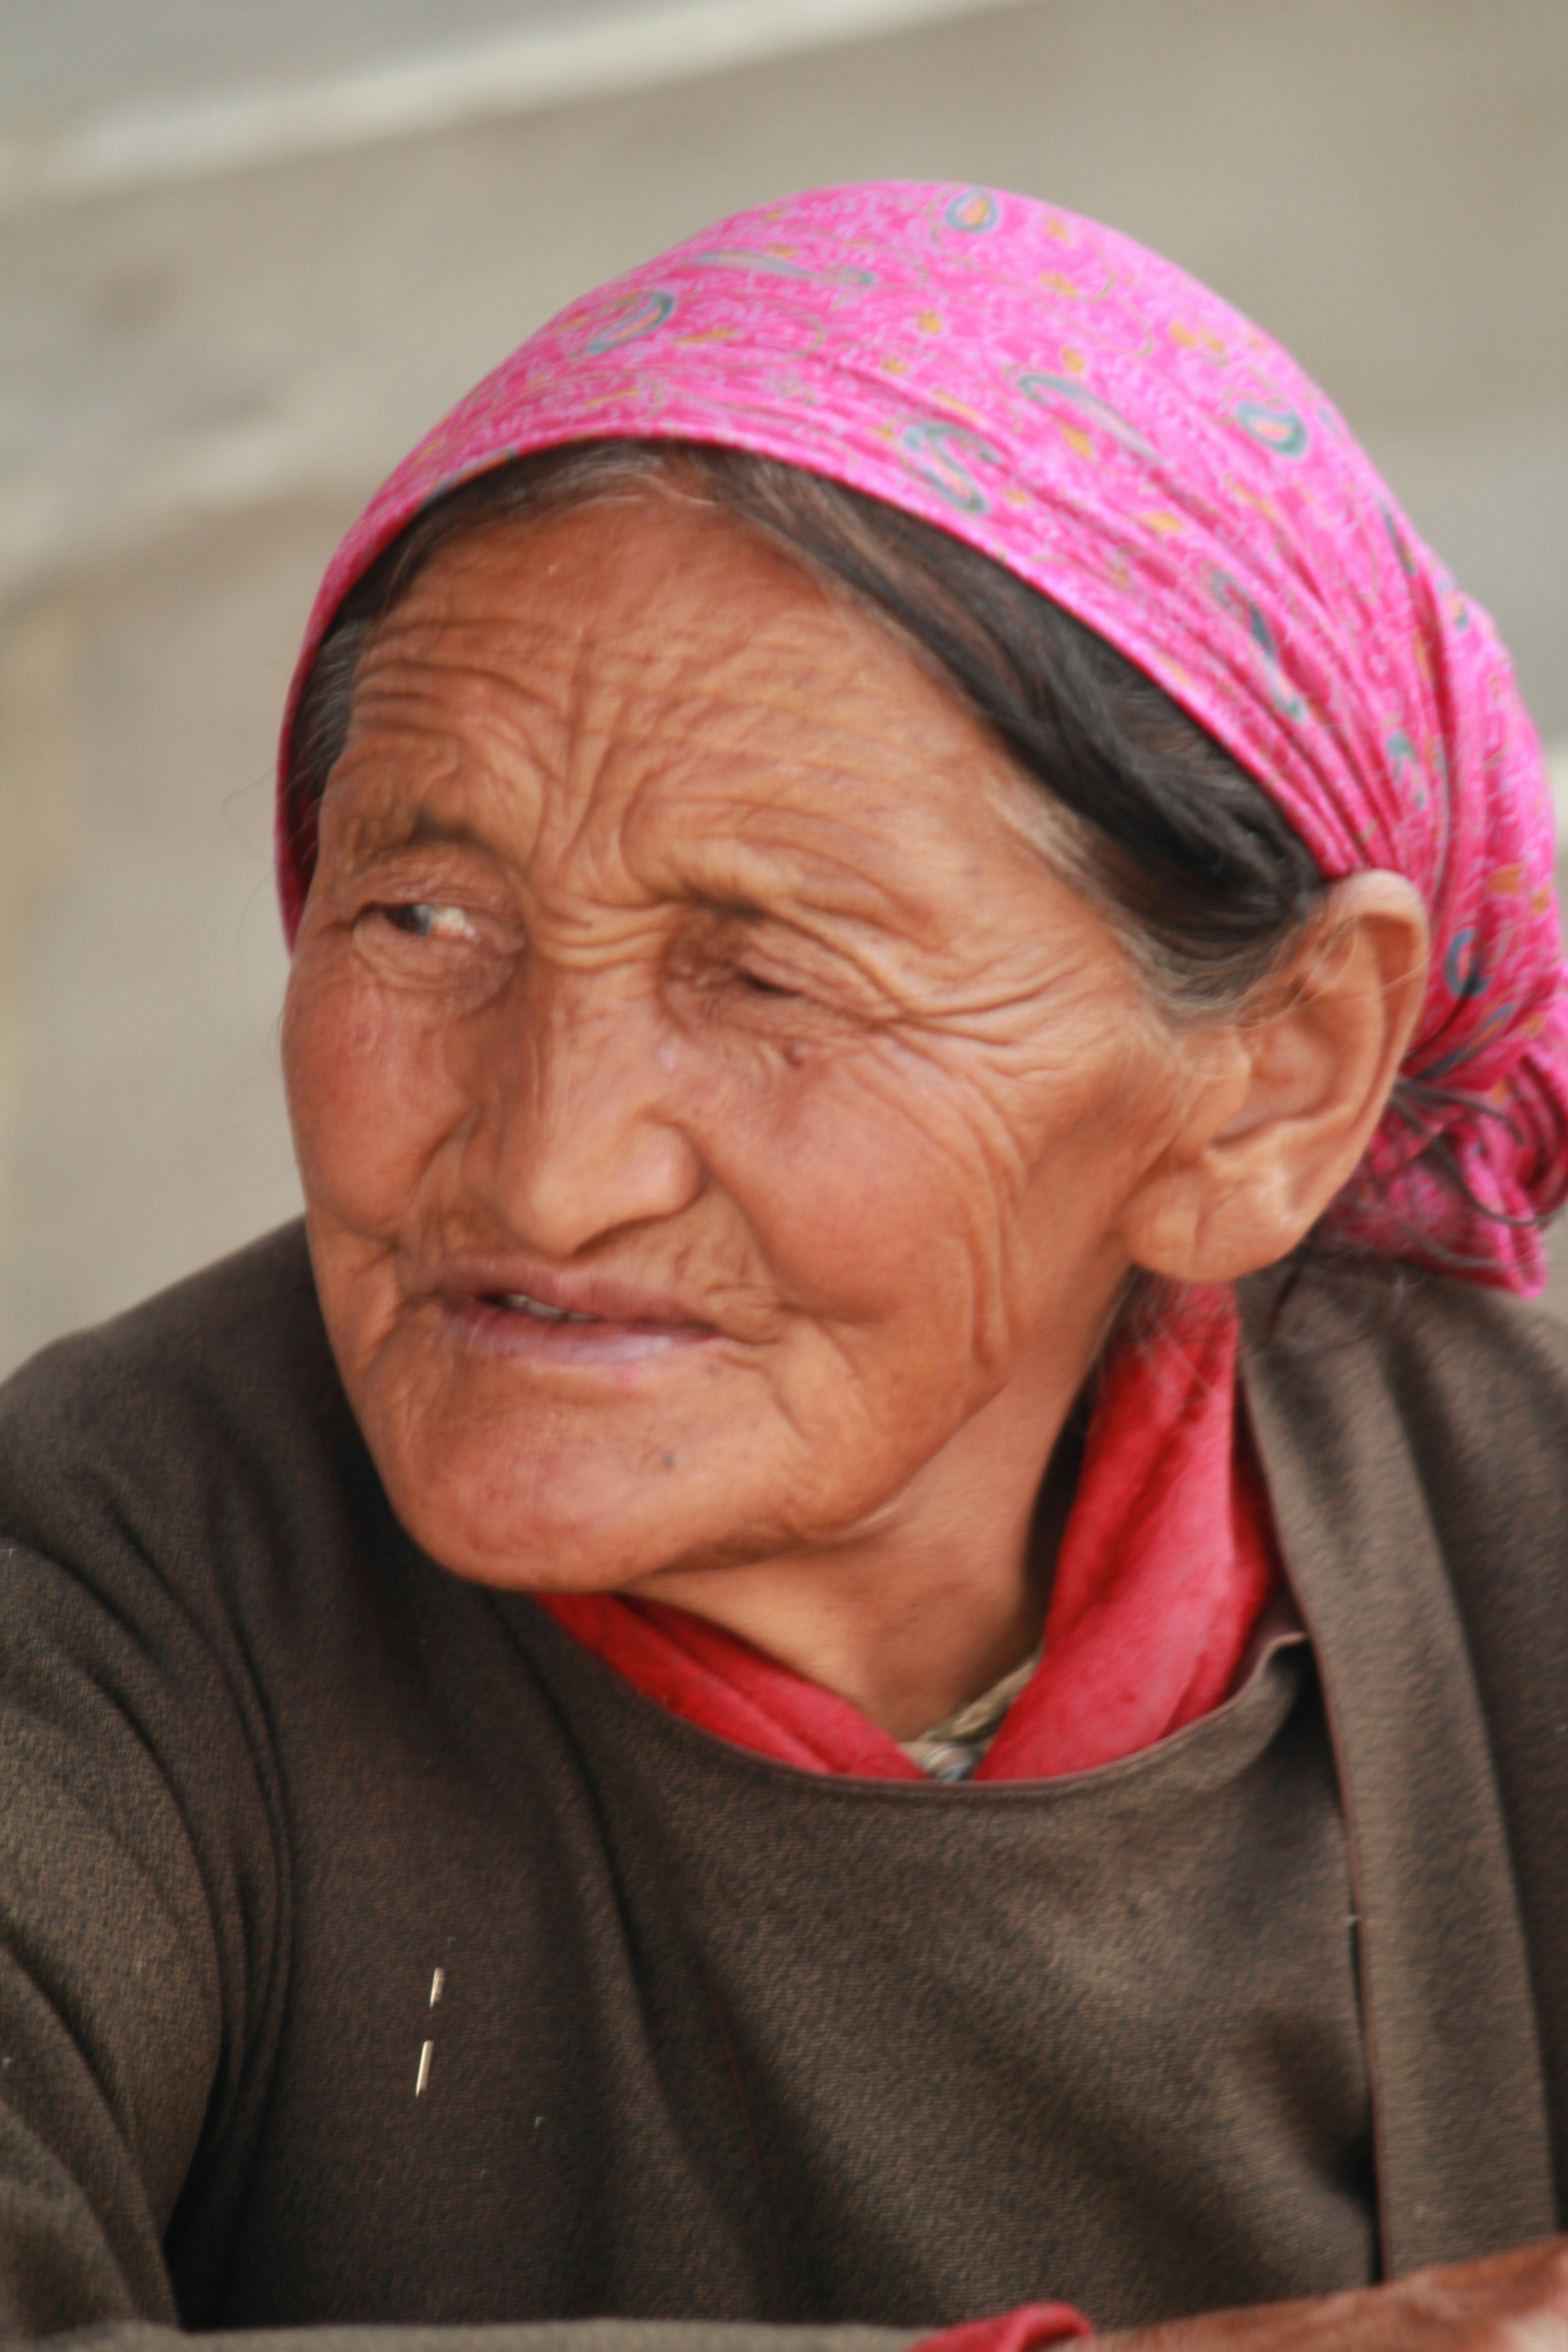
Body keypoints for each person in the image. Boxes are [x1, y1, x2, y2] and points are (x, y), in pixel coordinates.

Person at [2, 181, 1567, 2352]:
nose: (547, 1177)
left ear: (1273, 1085)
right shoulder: (99, 1587)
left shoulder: (1507, 1532)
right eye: (421, 920)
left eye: (769, 976)